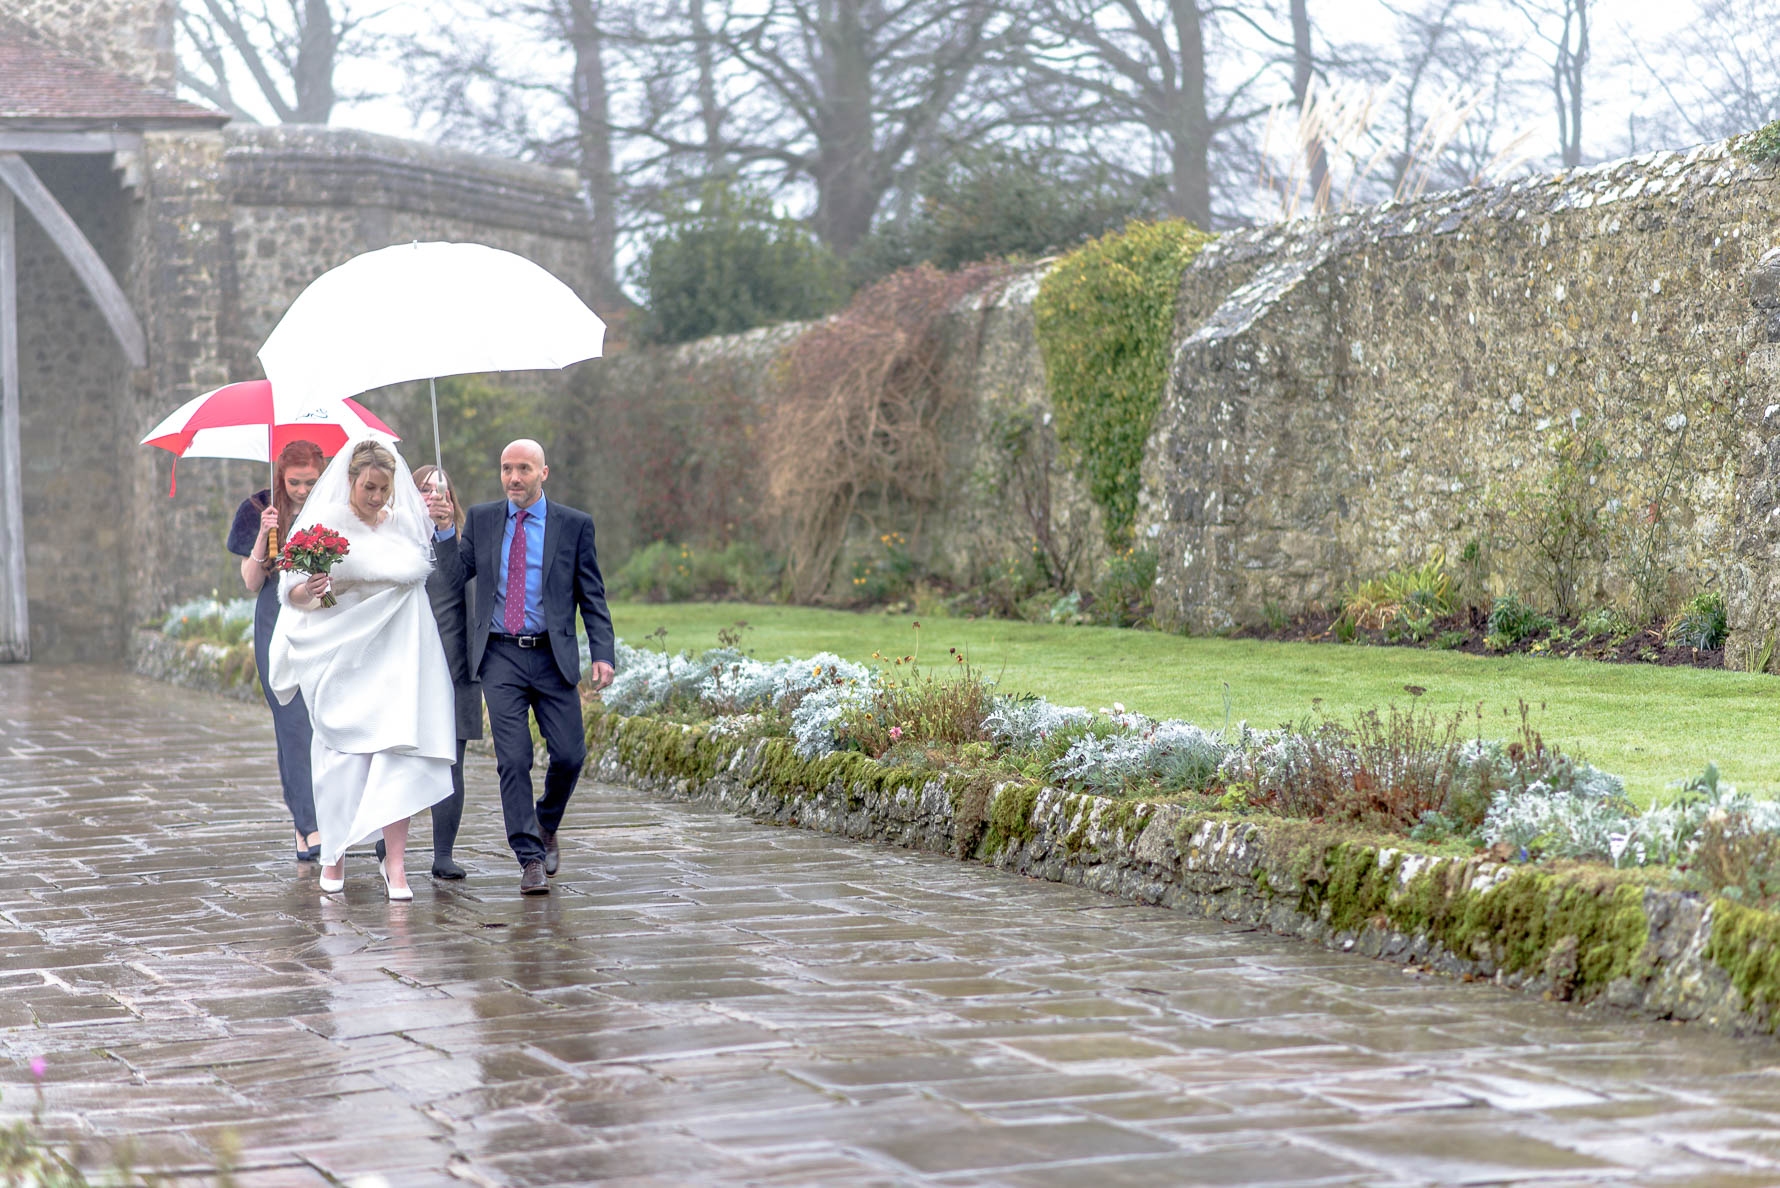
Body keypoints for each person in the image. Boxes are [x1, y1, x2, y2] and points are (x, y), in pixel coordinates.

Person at [268, 438, 456, 901]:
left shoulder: (402, 526)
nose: (375, 497)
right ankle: (332, 855)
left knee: (397, 755)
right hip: (344, 658)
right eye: (368, 487)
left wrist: (440, 523)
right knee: (342, 759)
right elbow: (294, 598)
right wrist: (315, 588)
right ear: (351, 480)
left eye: (384, 489)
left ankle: (396, 866)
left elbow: (424, 582)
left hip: (394, 658)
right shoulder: (321, 525)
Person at [457, 438, 615, 895]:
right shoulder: (484, 519)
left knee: (570, 755)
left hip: (552, 655)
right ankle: (528, 856)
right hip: (500, 654)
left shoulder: (574, 525)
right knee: (514, 758)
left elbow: (593, 595)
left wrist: (602, 652)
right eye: (506, 469)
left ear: (544, 472)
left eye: (524, 468)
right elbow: (454, 575)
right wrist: (446, 531)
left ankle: (547, 822)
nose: (514, 478)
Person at [376, 463, 479, 880]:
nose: (432, 496)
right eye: (423, 489)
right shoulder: (393, 538)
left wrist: (446, 533)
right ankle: (389, 841)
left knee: (451, 762)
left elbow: (457, 585)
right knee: (401, 760)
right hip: (406, 667)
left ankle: (444, 854)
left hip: (454, 666)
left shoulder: (462, 542)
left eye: (441, 489)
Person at [226, 439, 325, 862]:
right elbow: (250, 582)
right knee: (292, 721)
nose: (303, 490)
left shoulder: (333, 506)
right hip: (275, 618)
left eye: (311, 482)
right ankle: (309, 824)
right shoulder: (258, 507)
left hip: (321, 618)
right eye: (295, 482)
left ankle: (314, 819)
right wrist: (264, 534)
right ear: (281, 478)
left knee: (321, 722)